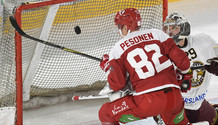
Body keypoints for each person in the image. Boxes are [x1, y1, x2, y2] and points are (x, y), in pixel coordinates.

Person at [98, 8, 194, 125]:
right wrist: (184, 75)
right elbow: (184, 63)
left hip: (147, 103)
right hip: (174, 98)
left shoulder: (117, 49)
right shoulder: (158, 34)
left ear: (125, 27)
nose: (119, 30)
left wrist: (108, 67)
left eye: (119, 26)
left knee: (105, 113)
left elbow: (117, 84)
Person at [163, 12, 218, 124]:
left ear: (184, 28)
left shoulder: (204, 41)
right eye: (167, 28)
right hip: (175, 108)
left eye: (173, 28)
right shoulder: (162, 53)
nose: (169, 31)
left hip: (199, 105)